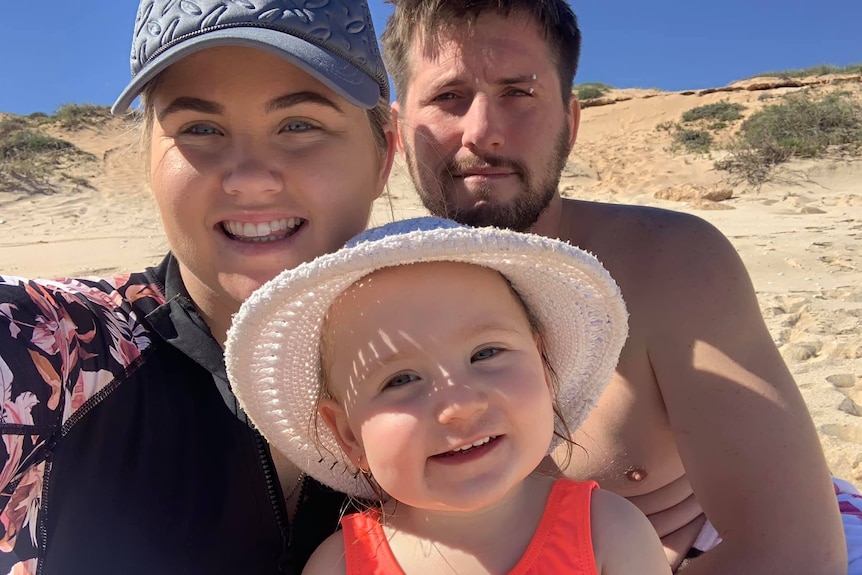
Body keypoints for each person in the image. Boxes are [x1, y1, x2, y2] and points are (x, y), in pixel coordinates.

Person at [380, 1, 861, 573]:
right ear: (400, 133)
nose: (483, 131)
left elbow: (793, 552)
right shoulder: (356, 298)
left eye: (519, 93)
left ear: (571, 123)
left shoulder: (668, 263)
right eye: (448, 97)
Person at [0, 1, 395, 573]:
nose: (250, 178)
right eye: (201, 128)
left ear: (384, 153)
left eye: (299, 124)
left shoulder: (457, 360)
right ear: (148, 160)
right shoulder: (54, 349)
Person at [225, 216, 671, 575]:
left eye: (487, 353)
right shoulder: (339, 565)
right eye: (399, 380)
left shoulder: (608, 533)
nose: (460, 405)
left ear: (543, 366)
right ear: (348, 434)